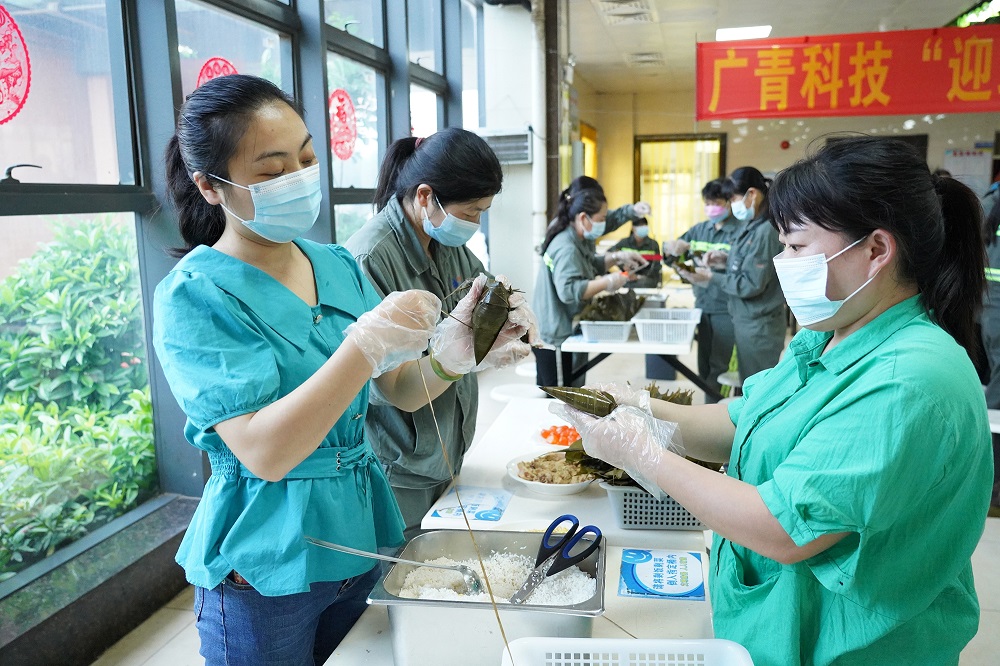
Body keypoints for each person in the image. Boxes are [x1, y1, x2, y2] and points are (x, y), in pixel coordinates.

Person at [557, 136, 993, 665]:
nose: (782, 260)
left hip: (854, 649)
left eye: (796, 247)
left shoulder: (908, 381)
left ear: (876, 250)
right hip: (774, 624)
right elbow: (745, 420)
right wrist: (640, 409)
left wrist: (643, 454)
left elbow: (784, 528)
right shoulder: (834, 334)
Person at [153, 75, 468, 663]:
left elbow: (398, 389)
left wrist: (455, 357)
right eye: (273, 171)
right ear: (210, 186)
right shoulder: (195, 295)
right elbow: (264, 452)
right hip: (265, 563)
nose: (298, 178)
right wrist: (362, 347)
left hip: (359, 537)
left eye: (306, 159)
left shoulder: (337, 264)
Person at [345, 128, 536, 538]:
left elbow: (484, 299)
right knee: (406, 566)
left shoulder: (448, 246)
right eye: (470, 212)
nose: (475, 223)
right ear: (426, 196)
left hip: (448, 452)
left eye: (483, 212)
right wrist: (453, 360)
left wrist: (505, 324)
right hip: (399, 467)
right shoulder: (369, 257)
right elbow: (395, 389)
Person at [532, 184, 649, 387]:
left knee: (571, 389)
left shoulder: (577, 237)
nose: (604, 223)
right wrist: (608, 282)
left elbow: (589, 264)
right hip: (554, 335)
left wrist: (617, 257)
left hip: (564, 325)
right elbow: (569, 291)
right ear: (583, 217)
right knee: (561, 394)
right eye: (601, 219)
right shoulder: (567, 247)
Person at [699, 166, 786, 381]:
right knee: (748, 379)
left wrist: (710, 277)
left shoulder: (766, 230)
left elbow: (751, 284)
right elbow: (749, 263)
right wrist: (725, 260)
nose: (732, 205)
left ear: (752, 194)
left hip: (759, 324)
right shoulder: (752, 224)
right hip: (746, 319)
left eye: (733, 199)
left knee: (758, 386)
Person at [661, 178, 740, 400]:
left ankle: (716, 411)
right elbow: (673, 258)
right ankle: (708, 408)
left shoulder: (740, 231)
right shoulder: (699, 230)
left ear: (728, 202)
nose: (711, 208)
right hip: (703, 305)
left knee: (720, 366)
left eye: (716, 203)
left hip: (728, 308)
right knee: (703, 366)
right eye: (708, 203)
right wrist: (671, 250)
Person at [980, 186, 1000, 517]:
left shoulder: (991, 202)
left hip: (990, 308)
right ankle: (992, 482)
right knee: (997, 396)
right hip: (996, 310)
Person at [607, 216, 662, 288]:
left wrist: (638, 277)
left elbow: (656, 266)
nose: (643, 227)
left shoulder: (653, 244)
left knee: (645, 283)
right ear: (633, 227)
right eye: (640, 225)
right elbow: (609, 254)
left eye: (644, 225)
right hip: (627, 276)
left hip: (646, 278)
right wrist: (624, 268)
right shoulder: (624, 243)